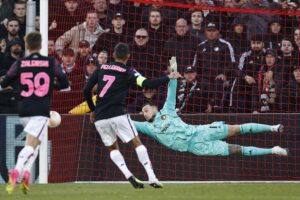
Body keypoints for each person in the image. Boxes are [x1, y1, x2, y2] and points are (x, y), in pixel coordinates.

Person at [84, 43, 181, 189]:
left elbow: (86, 90)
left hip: (101, 117)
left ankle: (128, 174)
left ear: (114, 55)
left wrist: (93, 110)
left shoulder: (101, 68)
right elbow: (147, 83)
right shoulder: (128, 71)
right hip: (118, 114)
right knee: (136, 142)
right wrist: (169, 77)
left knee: (112, 147)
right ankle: (152, 177)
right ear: (128, 56)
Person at [133, 74, 288, 157]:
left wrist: (173, 74)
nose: (144, 113)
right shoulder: (147, 127)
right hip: (196, 146)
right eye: (143, 112)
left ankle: (273, 128)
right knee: (235, 150)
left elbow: (172, 91)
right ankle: (273, 150)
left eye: (146, 110)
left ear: (155, 108)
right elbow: (128, 122)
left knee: (236, 129)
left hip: (200, 130)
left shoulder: (167, 110)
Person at [0, 32, 69, 194]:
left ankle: (26, 175)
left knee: (35, 143)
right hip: (40, 109)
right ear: (41, 44)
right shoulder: (51, 63)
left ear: (27, 44)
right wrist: (53, 85)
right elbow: (65, 84)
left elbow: (4, 83)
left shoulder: (20, 63)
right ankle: (16, 172)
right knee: (32, 146)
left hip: (23, 108)